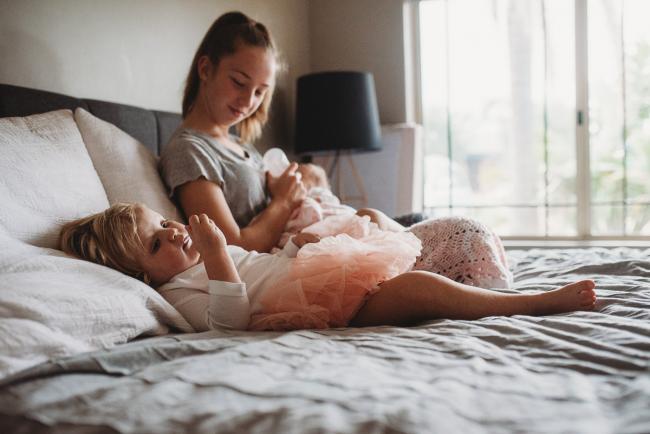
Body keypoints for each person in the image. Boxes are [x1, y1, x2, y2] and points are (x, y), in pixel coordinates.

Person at [59, 203, 598, 332]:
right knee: (416, 288)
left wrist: (304, 242)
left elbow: (265, 263)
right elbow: (228, 324)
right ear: (145, 276)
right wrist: (221, 253)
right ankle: (529, 304)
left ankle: (479, 270)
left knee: (372, 222)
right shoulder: (177, 292)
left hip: (322, 274)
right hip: (322, 305)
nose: (175, 232)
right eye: (158, 243)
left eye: (165, 223)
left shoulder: (190, 258)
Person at [159, 11, 305, 254]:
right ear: (205, 69)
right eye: (239, 82)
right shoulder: (189, 151)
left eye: (260, 92)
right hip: (262, 266)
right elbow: (230, 246)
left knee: (372, 218)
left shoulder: (242, 145)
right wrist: (284, 201)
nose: (248, 101)